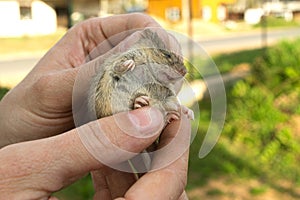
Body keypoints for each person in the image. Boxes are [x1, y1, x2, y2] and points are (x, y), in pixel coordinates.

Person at [0, 13, 191, 200]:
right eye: (166, 56)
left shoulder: (155, 81)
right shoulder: (135, 56)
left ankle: (161, 116)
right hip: (118, 107)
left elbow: (164, 94)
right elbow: (113, 76)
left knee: (160, 107)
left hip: (138, 113)